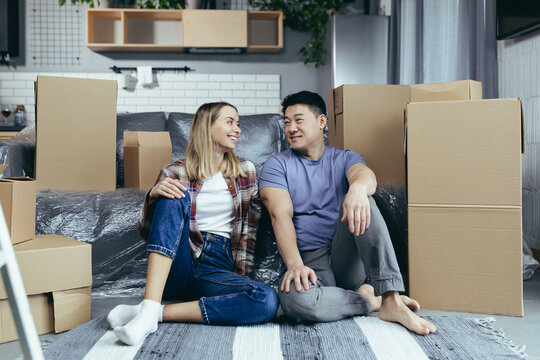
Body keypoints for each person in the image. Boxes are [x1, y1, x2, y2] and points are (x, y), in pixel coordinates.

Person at [259, 91, 436, 335]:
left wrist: (357, 188)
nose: (291, 128)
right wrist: (295, 265)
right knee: (294, 301)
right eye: (287, 122)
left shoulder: (344, 158)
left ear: (321, 122)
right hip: (310, 262)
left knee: (365, 199)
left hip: (347, 256)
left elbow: (364, 175)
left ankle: (391, 298)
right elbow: (280, 214)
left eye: (298, 120)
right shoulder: (277, 165)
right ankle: (370, 300)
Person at [108, 102, 279, 346]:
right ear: (206, 127)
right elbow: (147, 232)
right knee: (171, 195)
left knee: (266, 300)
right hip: (178, 262)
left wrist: (240, 283)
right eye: (230, 122)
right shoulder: (174, 172)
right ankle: (151, 303)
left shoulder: (245, 171)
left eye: (238, 123)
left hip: (218, 268)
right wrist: (152, 196)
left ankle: (150, 313)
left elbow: (249, 232)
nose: (238, 129)